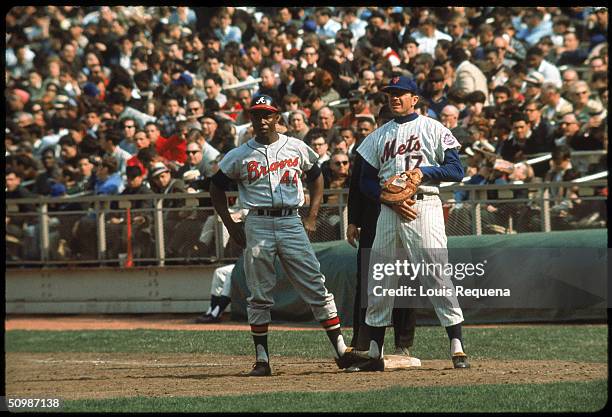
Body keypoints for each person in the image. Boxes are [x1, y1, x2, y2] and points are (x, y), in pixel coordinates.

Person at [209, 94, 361, 376]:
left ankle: (341, 350)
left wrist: (312, 216)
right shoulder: (239, 155)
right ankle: (262, 359)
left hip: (291, 221)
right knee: (259, 293)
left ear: (278, 118)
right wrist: (231, 225)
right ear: (251, 119)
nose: (262, 120)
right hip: (258, 222)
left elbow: (316, 176)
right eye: (257, 115)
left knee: (315, 285)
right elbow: (215, 187)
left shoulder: (296, 147)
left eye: (268, 114)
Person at [352, 76, 469, 371]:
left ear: (414, 98)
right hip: (390, 210)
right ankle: (375, 351)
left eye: (401, 93)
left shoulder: (433, 128)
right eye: (391, 94)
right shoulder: (377, 136)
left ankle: (456, 344)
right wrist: (385, 197)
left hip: (424, 204)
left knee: (435, 271)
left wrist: (423, 172)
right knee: (379, 277)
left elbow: (456, 169)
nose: (394, 98)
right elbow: (364, 179)